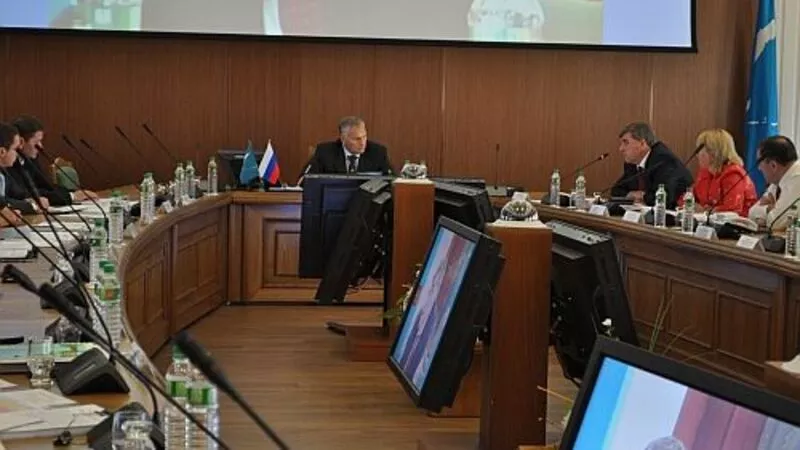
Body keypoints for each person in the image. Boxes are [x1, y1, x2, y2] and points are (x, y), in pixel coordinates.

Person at [9, 115, 97, 206]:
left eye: (41, 141)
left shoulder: (30, 160)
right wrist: (71, 196)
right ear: (21, 142)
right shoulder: (9, 164)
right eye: (36, 142)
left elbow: (47, 186)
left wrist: (73, 193)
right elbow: (26, 193)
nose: (40, 146)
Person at [610, 122, 693, 209]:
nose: (621, 149)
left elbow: (663, 198)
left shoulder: (664, 161)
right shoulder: (632, 163)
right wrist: (631, 194)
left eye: (626, 143)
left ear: (642, 143)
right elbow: (616, 191)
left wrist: (643, 196)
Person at [679, 129, 757, 216]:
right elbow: (686, 198)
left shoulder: (733, 174)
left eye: (699, 150)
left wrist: (705, 210)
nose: (697, 155)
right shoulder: (706, 172)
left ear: (713, 152)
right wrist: (691, 205)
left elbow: (732, 210)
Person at [304, 116, 393, 176]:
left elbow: (392, 181)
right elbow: (305, 181)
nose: (363, 143)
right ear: (343, 138)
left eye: (364, 137)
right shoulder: (325, 152)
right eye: (357, 139)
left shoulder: (378, 153)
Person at [748, 135, 800, 230]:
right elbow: (751, 213)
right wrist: (769, 208)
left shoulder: (797, 179)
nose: (759, 168)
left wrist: (767, 211)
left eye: (760, 163)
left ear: (773, 165)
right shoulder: (777, 180)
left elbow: (776, 223)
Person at [0, 122, 39, 215]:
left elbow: (19, 194)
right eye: (15, 149)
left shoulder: (3, 173)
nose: (17, 154)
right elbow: (3, 203)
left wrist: (32, 201)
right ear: (2, 152)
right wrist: (32, 206)